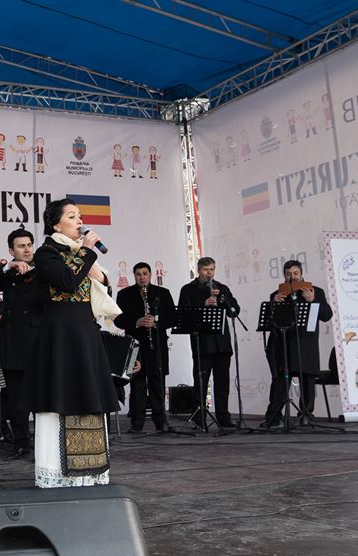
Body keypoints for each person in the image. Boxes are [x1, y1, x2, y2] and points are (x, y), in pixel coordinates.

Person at [22, 199, 121, 488]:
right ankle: (57, 473)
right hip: (60, 335)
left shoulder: (80, 252)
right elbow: (67, 281)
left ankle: (89, 470)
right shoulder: (46, 253)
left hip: (85, 332)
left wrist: (95, 266)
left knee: (88, 394)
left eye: (80, 216)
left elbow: (102, 285)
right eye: (72, 216)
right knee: (59, 394)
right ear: (56, 224)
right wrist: (87, 253)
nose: (80, 221)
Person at [0, 227, 48, 459]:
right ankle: (21, 443)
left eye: (29, 245)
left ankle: (45, 444)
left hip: (38, 344)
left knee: (42, 398)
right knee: (16, 400)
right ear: (12, 251)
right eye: (21, 246)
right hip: (13, 345)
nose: (26, 250)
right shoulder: (7, 273)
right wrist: (8, 266)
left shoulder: (44, 268)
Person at [260, 260, 334, 428]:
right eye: (288, 274)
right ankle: (273, 417)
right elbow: (269, 323)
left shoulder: (316, 292)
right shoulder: (277, 294)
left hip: (306, 343)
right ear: (284, 275)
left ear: (301, 274)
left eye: (295, 273)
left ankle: (305, 415)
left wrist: (313, 301)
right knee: (280, 381)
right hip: (284, 343)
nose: (292, 277)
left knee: (307, 379)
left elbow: (327, 315)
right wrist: (274, 304)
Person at [177, 257, 240, 429]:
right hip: (202, 344)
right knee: (201, 382)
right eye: (205, 270)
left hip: (222, 344)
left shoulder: (222, 288)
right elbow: (183, 314)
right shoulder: (188, 289)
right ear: (198, 270)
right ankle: (199, 418)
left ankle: (223, 417)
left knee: (222, 383)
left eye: (212, 269)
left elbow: (234, 311)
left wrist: (224, 301)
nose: (209, 273)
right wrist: (203, 304)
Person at [115, 262, 176, 433]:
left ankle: (161, 422)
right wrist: (137, 321)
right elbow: (118, 319)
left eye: (145, 274)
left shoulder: (163, 293)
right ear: (134, 276)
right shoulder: (124, 294)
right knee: (137, 386)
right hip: (134, 346)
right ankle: (137, 424)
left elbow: (173, 317)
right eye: (138, 274)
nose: (142, 277)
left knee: (158, 385)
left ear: (150, 275)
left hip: (157, 346)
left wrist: (155, 322)